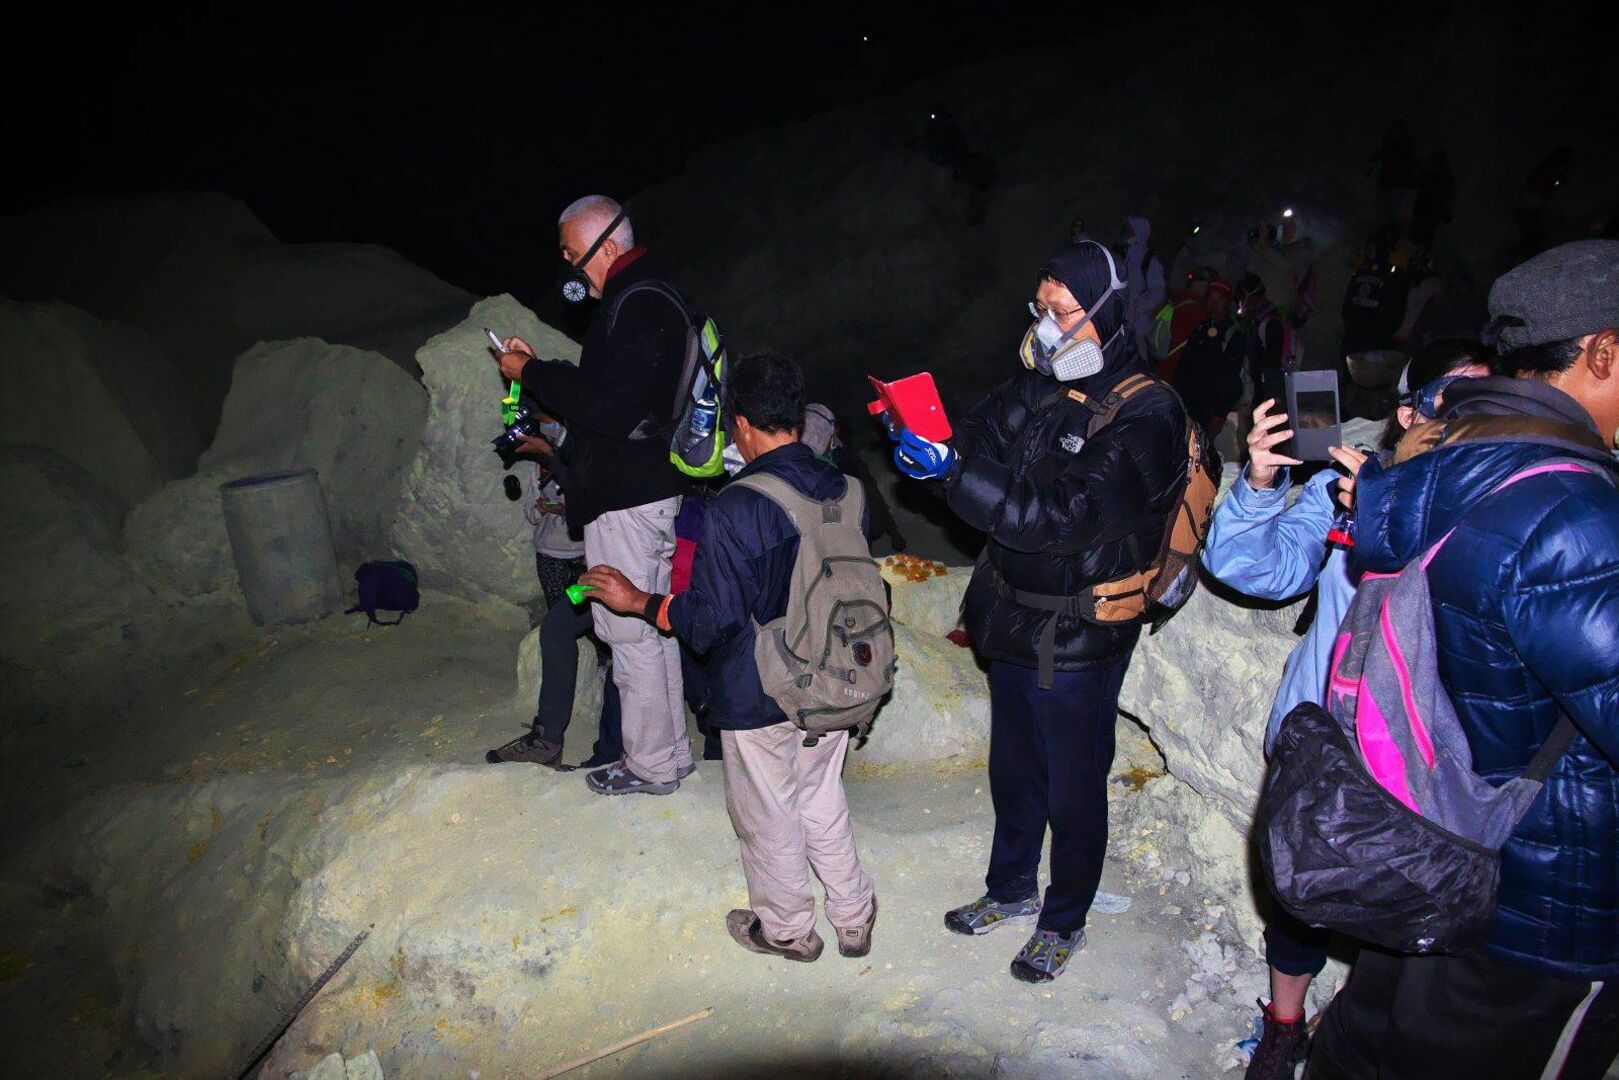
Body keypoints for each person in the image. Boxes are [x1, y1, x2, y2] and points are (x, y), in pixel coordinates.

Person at [1306, 240, 1619, 1079]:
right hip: (1543, 904)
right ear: (1603, 350)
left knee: (1375, 1043)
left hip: (1426, 840)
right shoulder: (1571, 512)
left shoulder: (1446, 465)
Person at [888, 241, 1188, 982]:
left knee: (1072, 780)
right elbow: (980, 439)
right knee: (1014, 766)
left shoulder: (1147, 414)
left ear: (1108, 315)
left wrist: (956, 475)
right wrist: (931, 443)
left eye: (1062, 313)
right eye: (1040, 311)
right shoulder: (1045, 385)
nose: (1048, 329)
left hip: (1082, 627)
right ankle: (1010, 888)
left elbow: (1062, 515)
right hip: (1015, 613)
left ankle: (1065, 918)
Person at [1204, 340, 1490, 1080]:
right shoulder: (1351, 484)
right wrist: (1263, 484)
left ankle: (1349, 1020)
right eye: (1454, 404)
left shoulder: (1498, 503)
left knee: (1403, 919)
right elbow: (1253, 570)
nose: (1472, 423)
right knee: (1298, 897)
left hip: (1430, 764)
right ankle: (1283, 1023)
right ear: (1407, 413)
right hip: (1325, 745)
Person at [580, 352, 879, 964]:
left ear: (739, 424)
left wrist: (640, 600)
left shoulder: (737, 507)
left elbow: (708, 622)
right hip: (838, 675)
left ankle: (788, 931)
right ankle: (854, 913)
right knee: (821, 796)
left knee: (768, 814)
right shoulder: (848, 490)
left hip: (761, 689)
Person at [497, 195, 693, 796]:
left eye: (573, 255)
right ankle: (670, 754)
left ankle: (649, 765)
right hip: (647, 489)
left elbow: (609, 409)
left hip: (628, 499)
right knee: (649, 627)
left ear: (607, 247)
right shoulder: (647, 298)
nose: (570, 270)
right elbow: (607, 390)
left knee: (627, 634)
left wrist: (528, 376)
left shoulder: (637, 305)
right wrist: (542, 367)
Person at [486, 422, 624, 769]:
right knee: (557, 623)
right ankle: (548, 740)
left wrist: (553, 454)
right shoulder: (571, 458)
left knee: (631, 651)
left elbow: (589, 502)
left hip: (629, 571)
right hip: (597, 573)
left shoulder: (608, 446)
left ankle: (622, 753)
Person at [1173, 279, 1245, 434]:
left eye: (1220, 300)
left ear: (1227, 303)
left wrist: (1219, 414)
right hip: (1189, 406)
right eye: (1211, 299)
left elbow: (1231, 377)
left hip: (1210, 411)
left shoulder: (1233, 333)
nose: (1215, 304)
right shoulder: (1200, 328)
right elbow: (1185, 364)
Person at [1121, 215, 1168, 362]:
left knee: (1137, 360)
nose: (1127, 234)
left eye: (1130, 231)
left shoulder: (1150, 260)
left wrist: (1138, 306)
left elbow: (1158, 291)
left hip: (1139, 324)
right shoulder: (1126, 257)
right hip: (1123, 321)